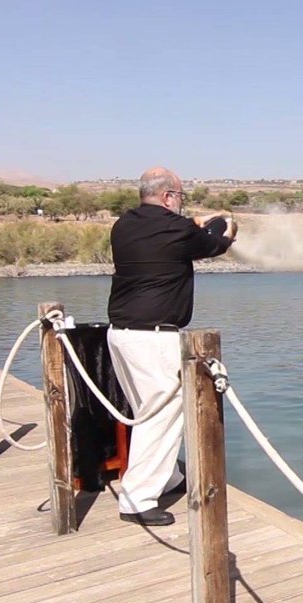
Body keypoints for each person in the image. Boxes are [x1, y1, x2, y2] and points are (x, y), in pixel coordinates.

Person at [107, 167, 236, 526]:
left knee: (148, 412)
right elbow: (216, 242)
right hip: (154, 339)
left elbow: (182, 229)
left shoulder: (124, 225)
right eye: (179, 196)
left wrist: (196, 221)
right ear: (167, 197)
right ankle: (137, 499)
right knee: (162, 415)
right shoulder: (176, 230)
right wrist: (226, 222)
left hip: (121, 335)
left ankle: (168, 477)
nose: (181, 203)